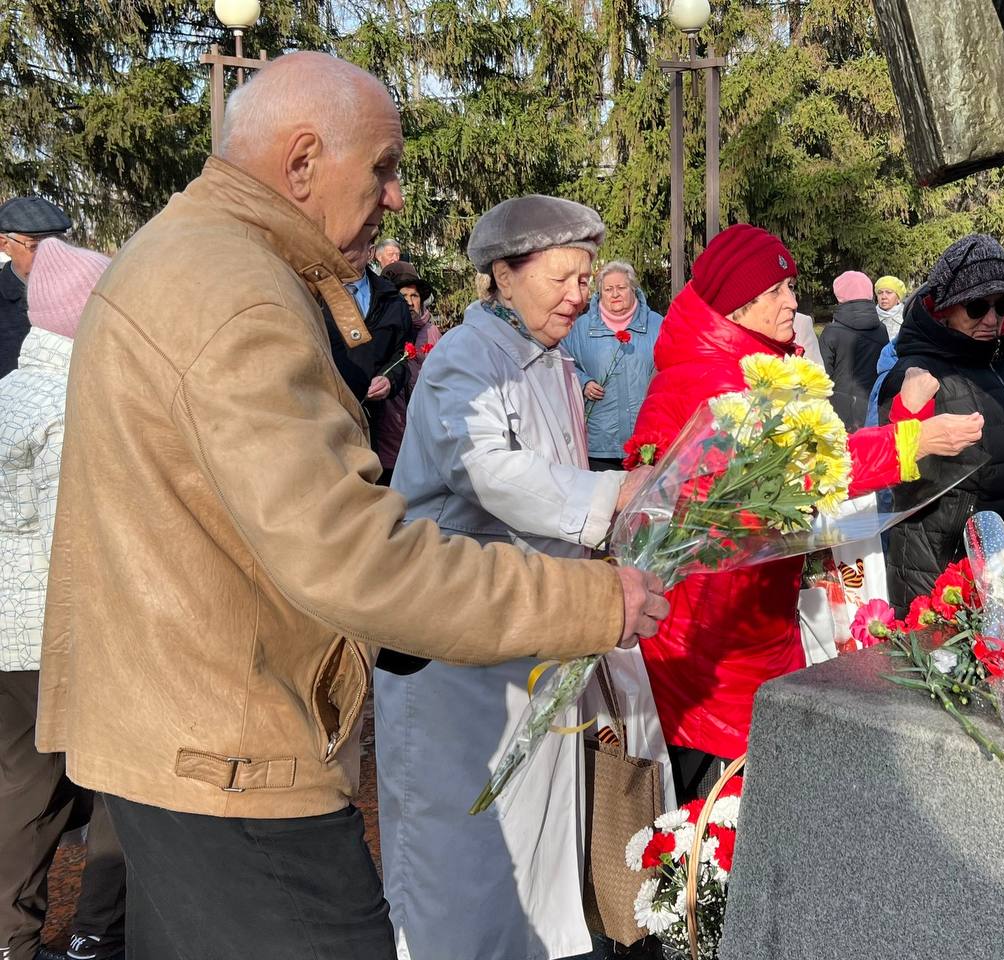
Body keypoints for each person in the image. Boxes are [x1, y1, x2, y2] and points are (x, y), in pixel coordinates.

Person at [33, 52, 669, 960]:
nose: (396, 196)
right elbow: (353, 553)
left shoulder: (201, 256)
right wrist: (591, 602)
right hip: (228, 748)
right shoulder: (231, 288)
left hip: (184, 726)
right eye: (382, 166)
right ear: (301, 164)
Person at [375, 195, 658, 960]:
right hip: (453, 648)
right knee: (459, 853)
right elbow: (488, 473)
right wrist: (609, 496)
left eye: (586, 277)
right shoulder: (465, 360)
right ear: (503, 274)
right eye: (564, 277)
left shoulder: (554, 362)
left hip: (529, 636)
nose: (579, 294)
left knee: (531, 844)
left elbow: (556, 482)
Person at [627, 223, 983, 800]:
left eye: (790, 286)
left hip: (758, 617)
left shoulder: (755, 364)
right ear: (740, 307)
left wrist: (902, 417)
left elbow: (813, 466)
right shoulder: (709, 381)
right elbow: (803, 474)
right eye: (778, 291)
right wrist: (914, 441)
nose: (794, 301)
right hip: (713, 642)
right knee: (726, 812)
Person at [0, 239, 127, 960]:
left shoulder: (8, 394)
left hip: (5, 638)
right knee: (116, 783)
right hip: (65, 632)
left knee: (23, 790)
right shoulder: (80, 406)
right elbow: (87, 536)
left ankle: (11, 939)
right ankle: (95, 933)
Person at [878, 234, 1004, 612]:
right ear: (944, 309)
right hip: (951, 572)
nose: (992, 320)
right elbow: (898, 479)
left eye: (1003, 305)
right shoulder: (917, 373)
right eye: (977, 306)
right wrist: (909, 412)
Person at [562, 259, 663, 470]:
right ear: (600, 293)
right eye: (608, 289)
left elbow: (672, 366)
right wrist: (583, 382)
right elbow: (561, 361)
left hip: (646, 440)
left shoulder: (656, 324)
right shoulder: (580, 329)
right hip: (599, 443)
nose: (614, 294)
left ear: (633, 289)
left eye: (621, 288)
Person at [320, 243, 413, 469]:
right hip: (325, 418)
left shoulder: (391, 299)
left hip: (375, 423)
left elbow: (402, 354)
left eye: (353, 247)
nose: (343, 256)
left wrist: (389, 380)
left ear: (370, 252)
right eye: (339, 248)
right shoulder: (314, 294)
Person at [373, 260, 441, 480]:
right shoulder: (381, 331)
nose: (410, 303)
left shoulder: (431, 332)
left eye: (415, 296)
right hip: (386, 440)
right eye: (403, 296)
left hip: (422, 437)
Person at [0, 197, 71, 379]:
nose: (49, 254)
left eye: (57, 243)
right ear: (4, 244)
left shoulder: (78, 295)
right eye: (34, 246)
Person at [821, 270, 889, 430]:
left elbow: (822, 375)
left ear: (839, 296)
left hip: (839, 409)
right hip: (874, 405)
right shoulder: (882, 329)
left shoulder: (831, 332)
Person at [874, 274, 907, 340]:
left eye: (889, 292)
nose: (883, 297)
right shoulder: (871, 317)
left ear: (898, 298)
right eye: (880, 293)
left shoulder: (906, 318)